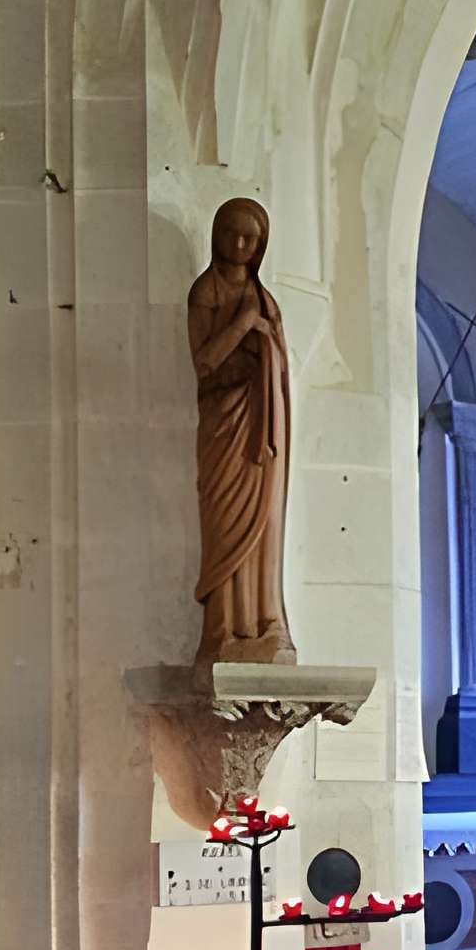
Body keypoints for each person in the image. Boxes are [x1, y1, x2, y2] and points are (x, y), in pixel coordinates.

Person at [187, 197, 294, 663]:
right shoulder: (205, 292)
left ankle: (265, 623)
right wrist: (246, 324)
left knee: (265, 521)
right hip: (222, 424)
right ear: (217, 236)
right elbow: (205, 362)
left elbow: (280, 365)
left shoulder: (266, 300)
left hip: (262, 423)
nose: (239, 244)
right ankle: (224, 630)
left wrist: (265, 339)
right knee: (225, 523)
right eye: (231, 233)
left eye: (250, 238)